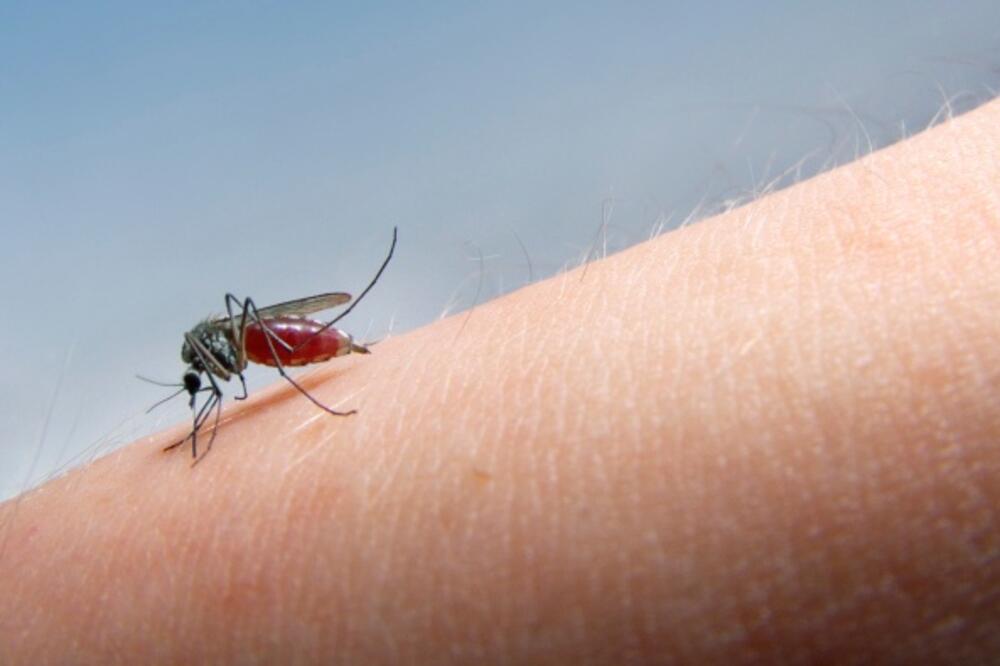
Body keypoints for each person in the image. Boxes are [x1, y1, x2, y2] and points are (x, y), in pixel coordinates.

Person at [2, 98, 998, 664]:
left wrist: (288, 361)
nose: (199, 391)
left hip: (282, 338)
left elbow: (232, 340)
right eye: (199, 386)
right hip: (270, 339)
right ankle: (334, 346)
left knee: (266, 333)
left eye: (194, 386)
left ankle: (334, 348)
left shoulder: (220, 350)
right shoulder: (207, 360)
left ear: (199, 370)